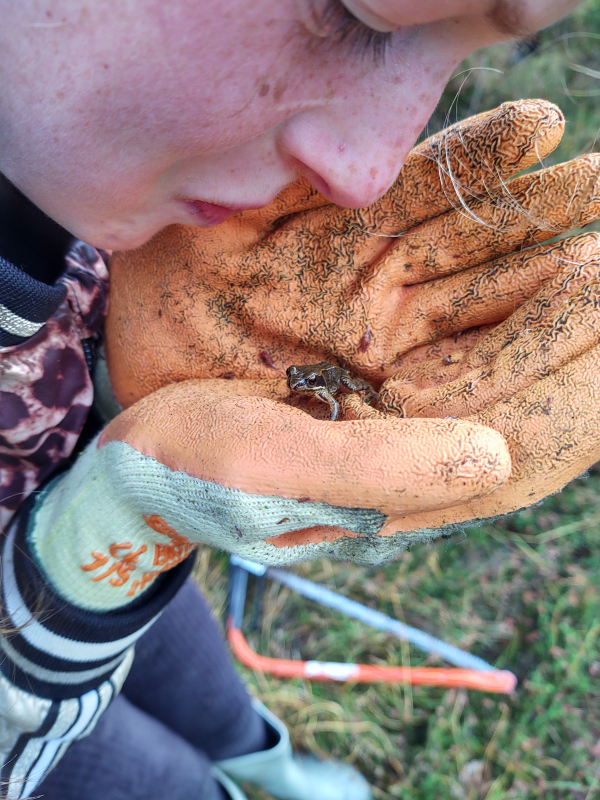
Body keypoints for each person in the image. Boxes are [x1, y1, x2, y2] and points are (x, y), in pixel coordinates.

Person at [0, 1, 593, 799]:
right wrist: (96, 540)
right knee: (158, 779)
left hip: (87, 537)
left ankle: (257, 753)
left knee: (194, 669)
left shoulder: (60, 181)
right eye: (353, 17)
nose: (370, 173)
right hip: (38, 672)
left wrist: (118, 395)